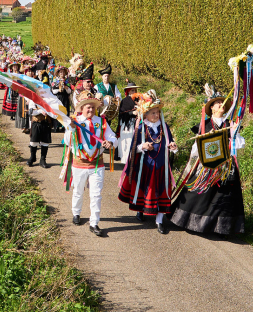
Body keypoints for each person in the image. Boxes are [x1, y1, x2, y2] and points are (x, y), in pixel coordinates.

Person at [170, 84, 246, 235]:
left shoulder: (230, 125)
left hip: (226, 168)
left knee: (225, 197)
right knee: (198, 194)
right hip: (205, 167)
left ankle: (223, 229)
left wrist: (234, 133)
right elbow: (195, 150)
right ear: (211, 108)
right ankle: (189, 222)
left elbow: (240, 145)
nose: (220, 104)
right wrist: (206, 140)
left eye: (222, 102)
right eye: (217, 103)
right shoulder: (204, 125)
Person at [118, 90, 178, 234]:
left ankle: (159, 221)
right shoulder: (141, 127)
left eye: (157, 112)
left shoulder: (164, 127)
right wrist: (142, 146)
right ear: (145, 114)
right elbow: (134, 147)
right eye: (152, 113)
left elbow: (170, 141)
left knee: (160, 191)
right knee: (144, 189)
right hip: (145, 166)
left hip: (161, 166)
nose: (156, 115)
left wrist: (173, 147)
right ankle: (140, 210)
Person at [61, 94, 118, 237]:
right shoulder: (75, 121)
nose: (91, 110)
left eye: (93, 107)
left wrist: (110, 143)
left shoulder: (101, 122)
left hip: (97, 163)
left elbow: (113, 138)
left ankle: (94, 223)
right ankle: (76, 213)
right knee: (78, 190)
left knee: (96, 194)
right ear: (81, 108)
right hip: (79, 163)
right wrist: (71, 128)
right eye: (88, 107)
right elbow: (67, 141)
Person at [116, 81, 139, 164]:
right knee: (128, 142)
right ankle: (127, 162)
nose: (134, 92)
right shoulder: (125, 101)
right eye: (132, 90)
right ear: (128, 91)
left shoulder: (139, 100)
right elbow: (122, 114)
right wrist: (131, 113)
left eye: (135, 90)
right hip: (128, 125)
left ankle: (135, 161)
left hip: (138, 124)